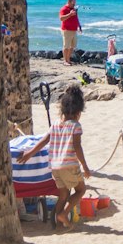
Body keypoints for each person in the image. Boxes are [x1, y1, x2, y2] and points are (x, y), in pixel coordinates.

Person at [19, 84, 91, 228]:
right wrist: (85, 166)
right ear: (78, 111)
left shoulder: (56, 124)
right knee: (81, 190)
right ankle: (64, 213)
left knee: (63, 195)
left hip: (55, 167)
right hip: (69, 165)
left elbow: (44, 140)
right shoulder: (76, 126)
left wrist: (29, 153)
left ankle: (56, 223)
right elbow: (77, 147)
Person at [59, 0, 82, 65]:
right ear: (69, 2)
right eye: (73, 3)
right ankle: (65, 61)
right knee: (66, 46)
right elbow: (61, 18)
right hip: (67, 30)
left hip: (74, 30)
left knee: (73, 46)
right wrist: (70, 14)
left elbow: (76, 18)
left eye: (75, 3)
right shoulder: (64, 9)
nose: (74, 4)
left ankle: (68, 59)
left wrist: (79, 26)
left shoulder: (73, 9)